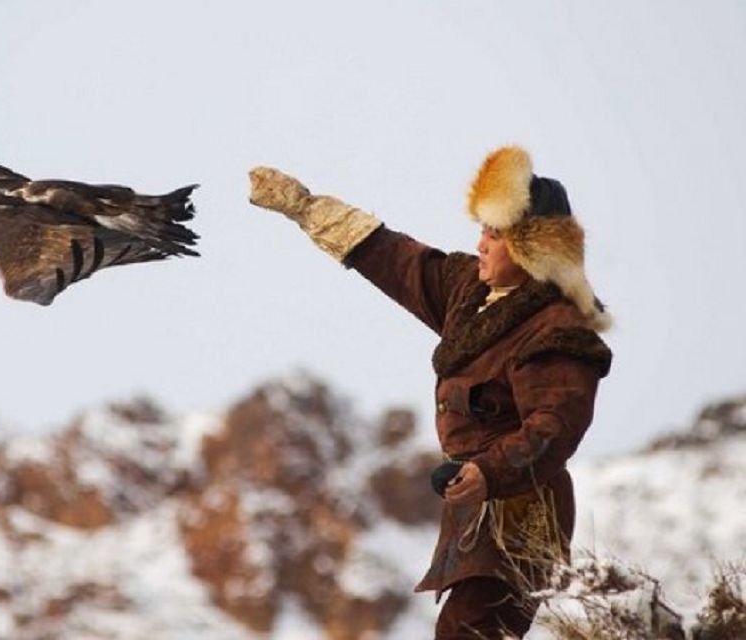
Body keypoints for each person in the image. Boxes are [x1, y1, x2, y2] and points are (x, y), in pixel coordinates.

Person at [248, 146, 612, 639]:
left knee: (465, 633)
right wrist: (305, 207)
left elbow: (554, 429)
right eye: (482, 229)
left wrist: (487, 471)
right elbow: (394, 259)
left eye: (495, 233)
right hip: (477, 512)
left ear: (533, 248)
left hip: (524, 513)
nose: (480, 243)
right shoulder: (471, 292)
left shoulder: (556, 331)